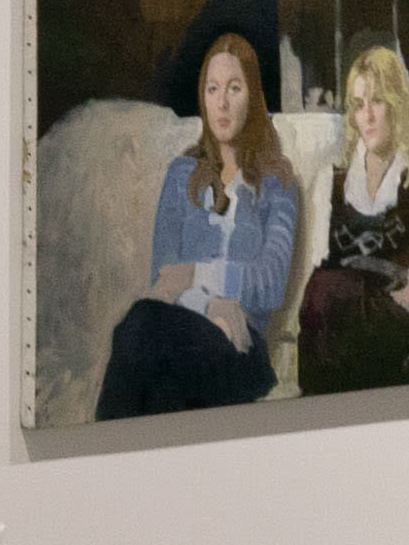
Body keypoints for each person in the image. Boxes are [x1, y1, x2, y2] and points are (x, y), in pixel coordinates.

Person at [97, 34, 299, 417]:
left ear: (253, 96)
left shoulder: (278, 184)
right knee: (156, 373)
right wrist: (212, 304)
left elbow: (269, 284)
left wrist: (198, 273)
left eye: (234, 88)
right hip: (187, 329)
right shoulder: (180, 175)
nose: (221, 102)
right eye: (212, 89)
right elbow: (164, 271)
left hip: (241, 349)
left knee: (138, 327)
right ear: (203, 99)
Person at [296, 44, 409, 392]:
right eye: (359, 105)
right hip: (335, 318)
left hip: (389, 317)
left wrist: (393, 305)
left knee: (329, 291)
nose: (368, 116)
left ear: (395, 105)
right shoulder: (329, 184)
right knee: (324, 292)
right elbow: (318, 267)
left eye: (377, 101)